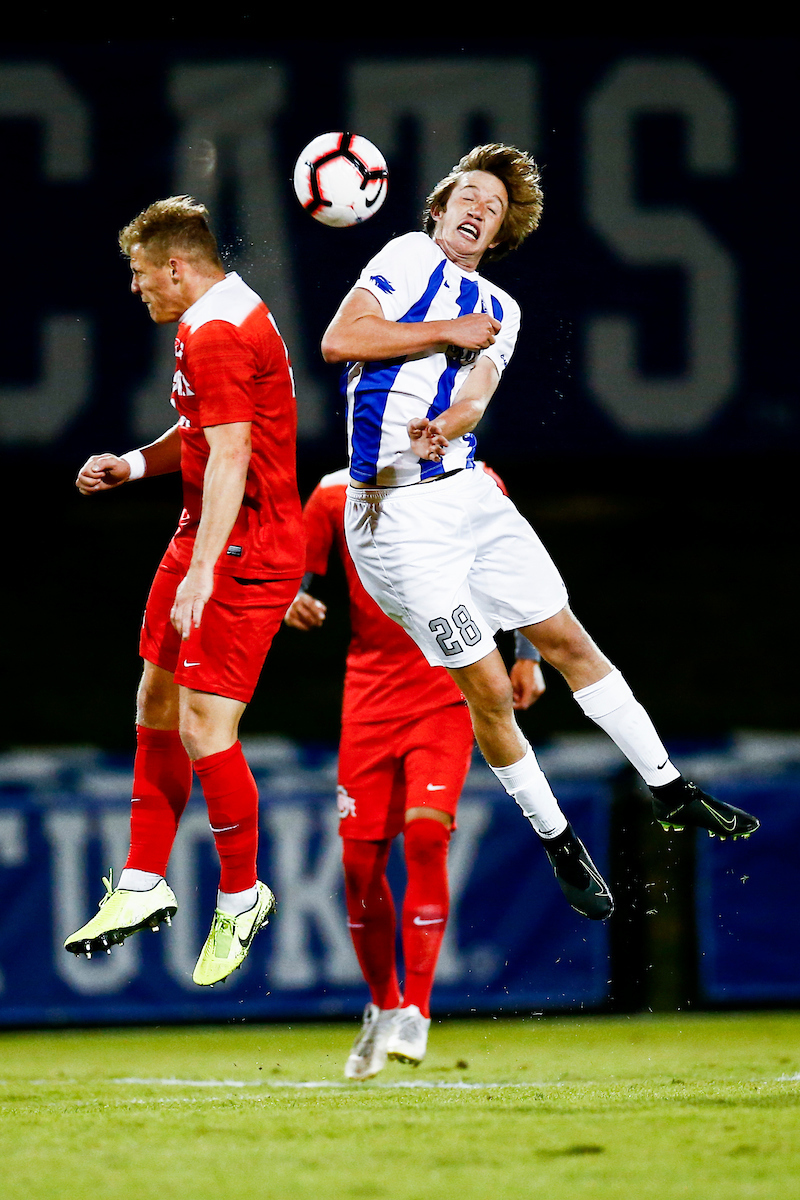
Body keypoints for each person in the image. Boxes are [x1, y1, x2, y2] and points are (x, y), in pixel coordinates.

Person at [320, 143, 759, 925]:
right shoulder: (408, 255)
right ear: (439, 205)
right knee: (489, 688)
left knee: (567, 640)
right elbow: (341, 341)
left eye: (493, 207)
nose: (479, 208)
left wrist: (447, 421)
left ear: (498, 236)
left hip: (465, 492)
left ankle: (668, 788)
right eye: (470, 194)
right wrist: (446, 331)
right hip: (394, 526)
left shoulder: (504, 311)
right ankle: (558, 841)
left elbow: (477, 395)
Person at [65, 196, 304, 987]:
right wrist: (132, 465)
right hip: (204, 529)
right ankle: (141, 882)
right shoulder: (212, 320)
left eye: (140, 274)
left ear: (175, 266)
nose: (136, 289)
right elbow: (204, 436)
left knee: (207, 728)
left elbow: (233, 454)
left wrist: (206, 569)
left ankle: (242, 894)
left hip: (244, 546)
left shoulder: (218, 332)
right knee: (155, 702)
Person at [285, 463, 544, 1078]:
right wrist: (290, 599)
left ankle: (416, 1011)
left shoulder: (472, 478)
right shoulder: (329, 494)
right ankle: (381, 1005)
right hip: (369, 694)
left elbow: (519, 569)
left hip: (449, 681)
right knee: (357, 864)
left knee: (427, 835)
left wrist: (528, 655)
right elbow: (298, 573)